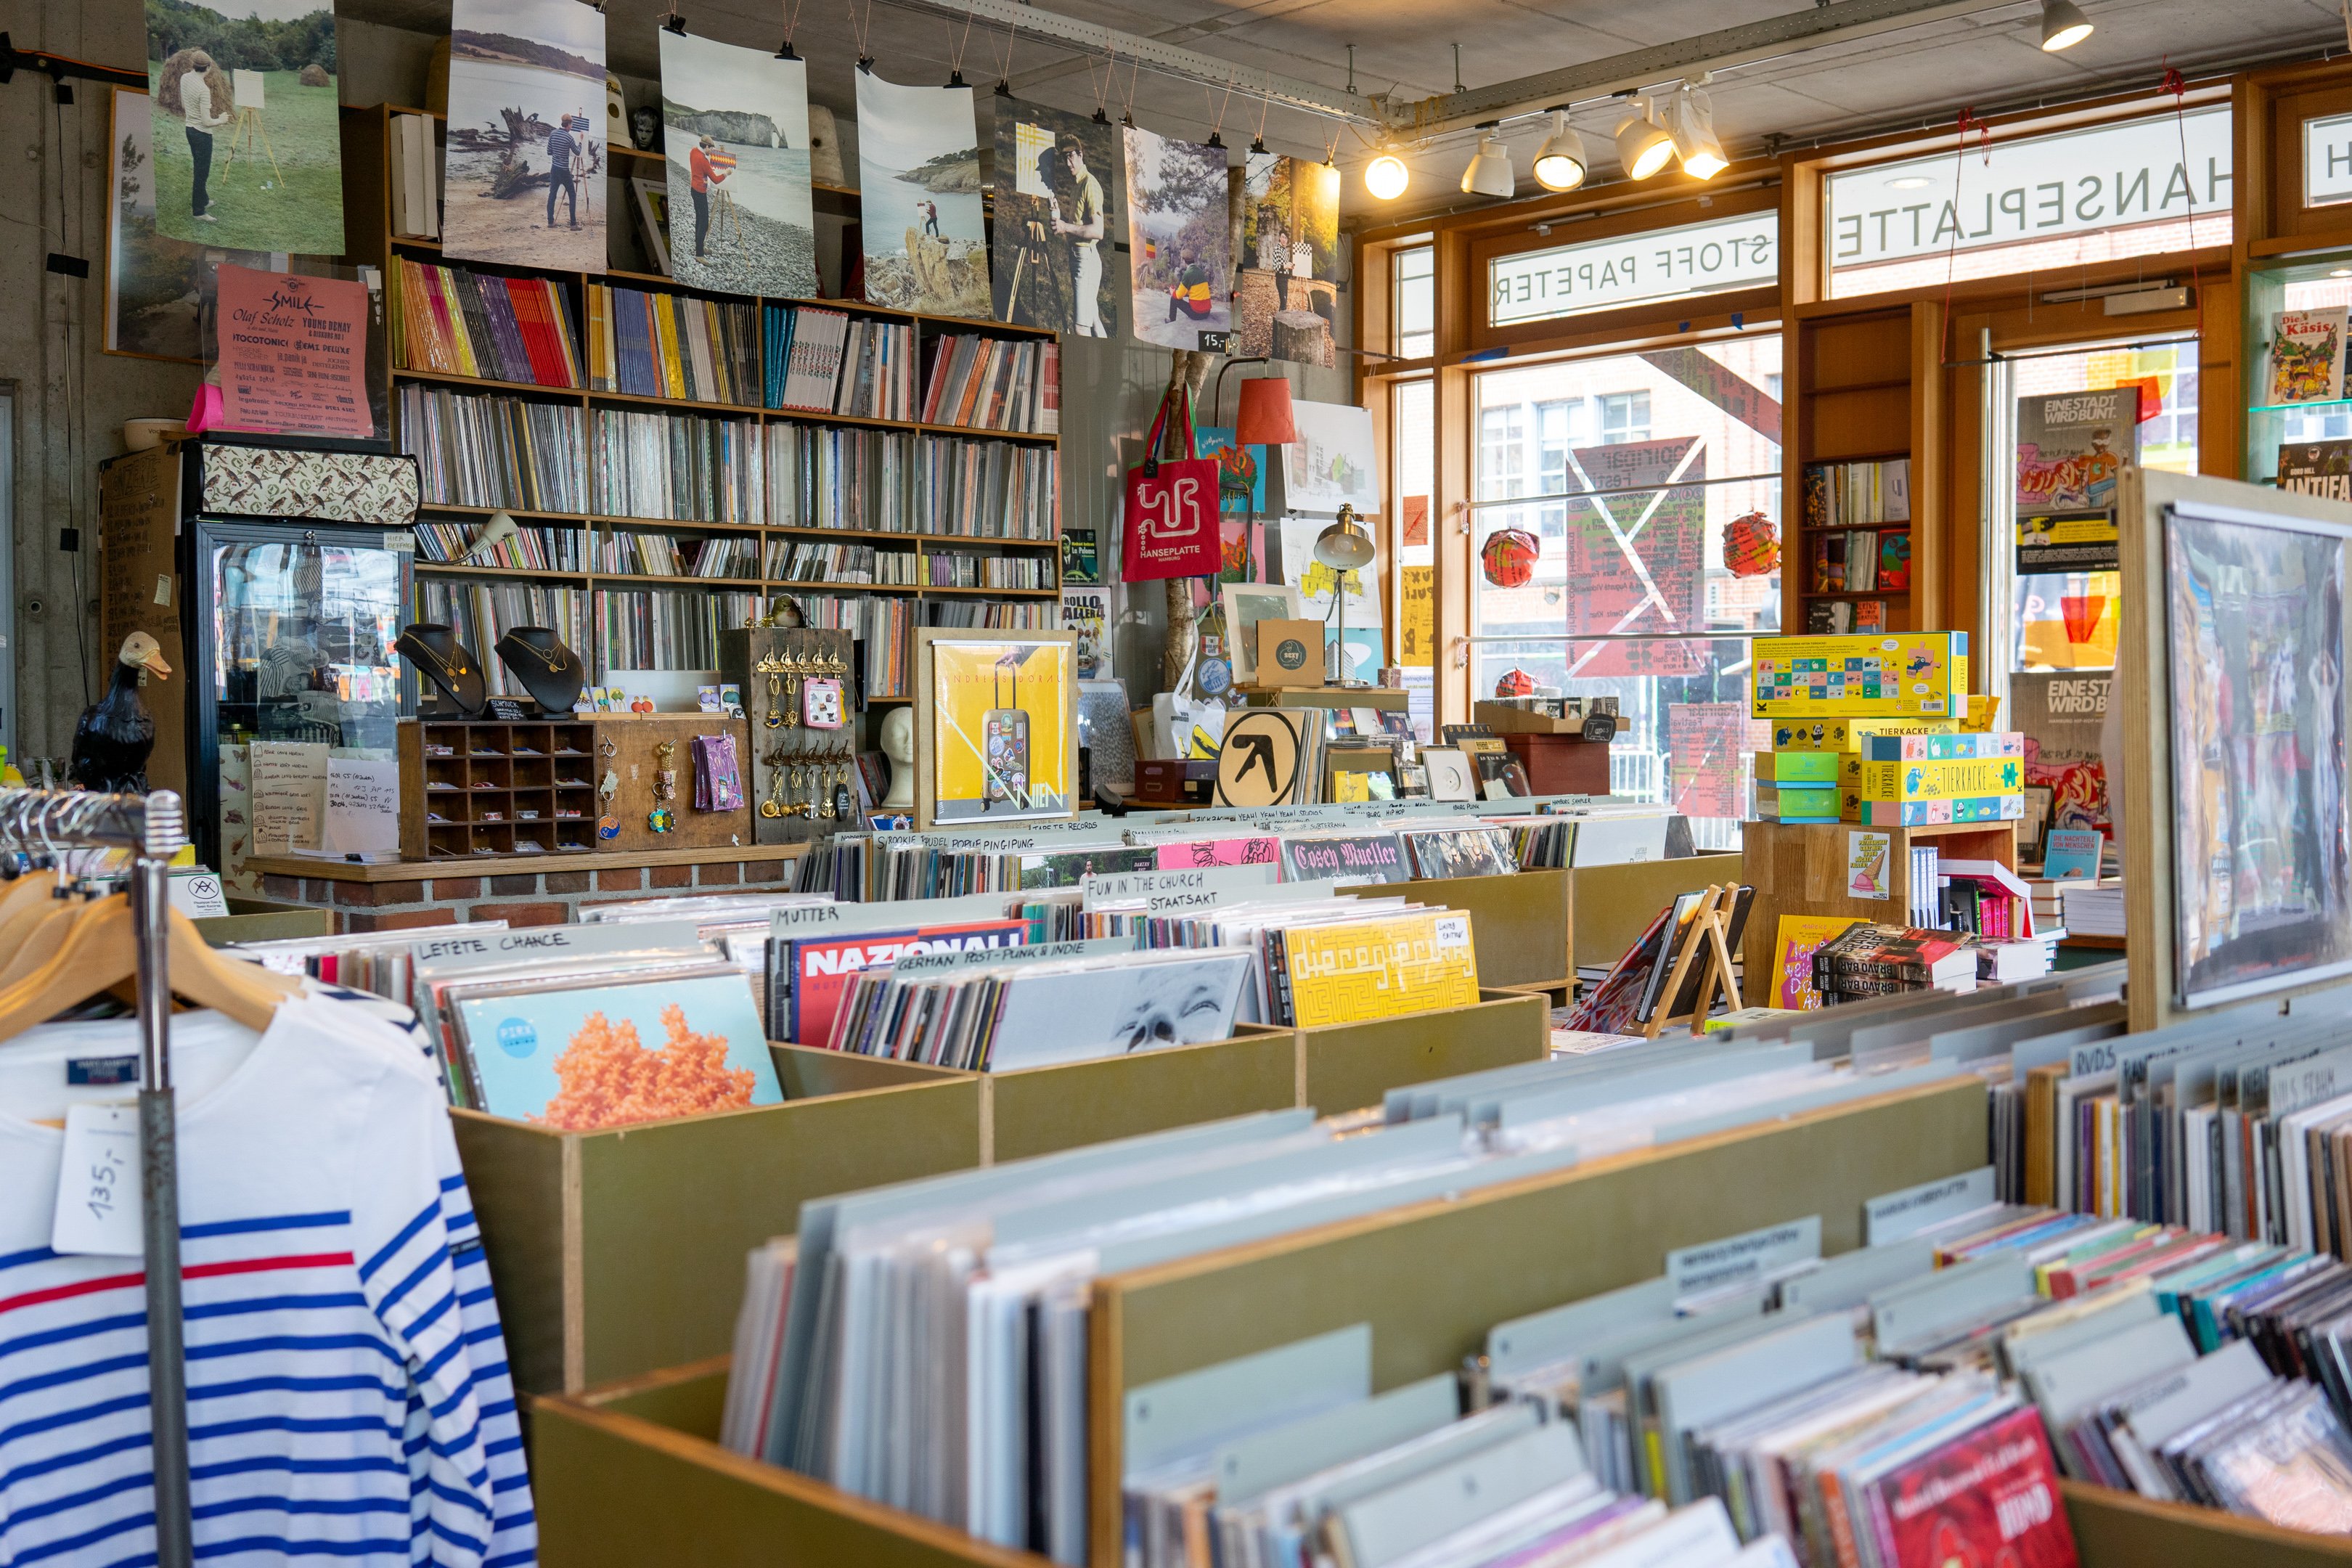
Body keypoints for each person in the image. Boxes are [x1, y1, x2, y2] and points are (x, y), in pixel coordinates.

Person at [1050, 134, 1106, 337]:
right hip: (1081, 256)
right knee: (1092, 318)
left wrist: (1066, 227)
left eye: (1071, 156)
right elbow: (1078, 224)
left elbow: (1097, 231)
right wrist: (1059, 216)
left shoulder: (1089, 184)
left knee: (1081, 327)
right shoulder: (1078, 184)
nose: (1068, 162)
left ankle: (1086, 366)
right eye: (1064, 158)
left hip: (1086, 259)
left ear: (1081, 155)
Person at [179, 52, 228, 224]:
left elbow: (184, 104)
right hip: (201, 134)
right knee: (201, 173)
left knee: (199, 168)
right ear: (208, 67)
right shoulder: (203, 89)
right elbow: (207, 122)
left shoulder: (185, 78)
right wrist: (221, 120)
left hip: (190, 130)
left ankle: (204, 201)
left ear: (193, 64)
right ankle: (198, 211)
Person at [688, 134, 727, 261]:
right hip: (700, 193)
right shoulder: (703, 161)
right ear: (706, 146)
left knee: (699, 219)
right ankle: (699, 254)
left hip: (693, 189)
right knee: (704, 223)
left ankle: (699, 246)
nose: (712, 151)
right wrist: (726, 173)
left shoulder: (693, 151)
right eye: (711, 148)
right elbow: (715, 180)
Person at [546, 112, 581, 230]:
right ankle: (573, 224)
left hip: (554, 169)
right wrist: (581, 143)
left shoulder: (553, 133)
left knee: (552, 195)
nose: (572, 127)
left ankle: (550, 222)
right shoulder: (569, 137)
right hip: (564, 171)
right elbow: (577, 152)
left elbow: (549, 151)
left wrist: (558, 152)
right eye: (571, 124)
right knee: (572, 194)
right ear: (568, 124)